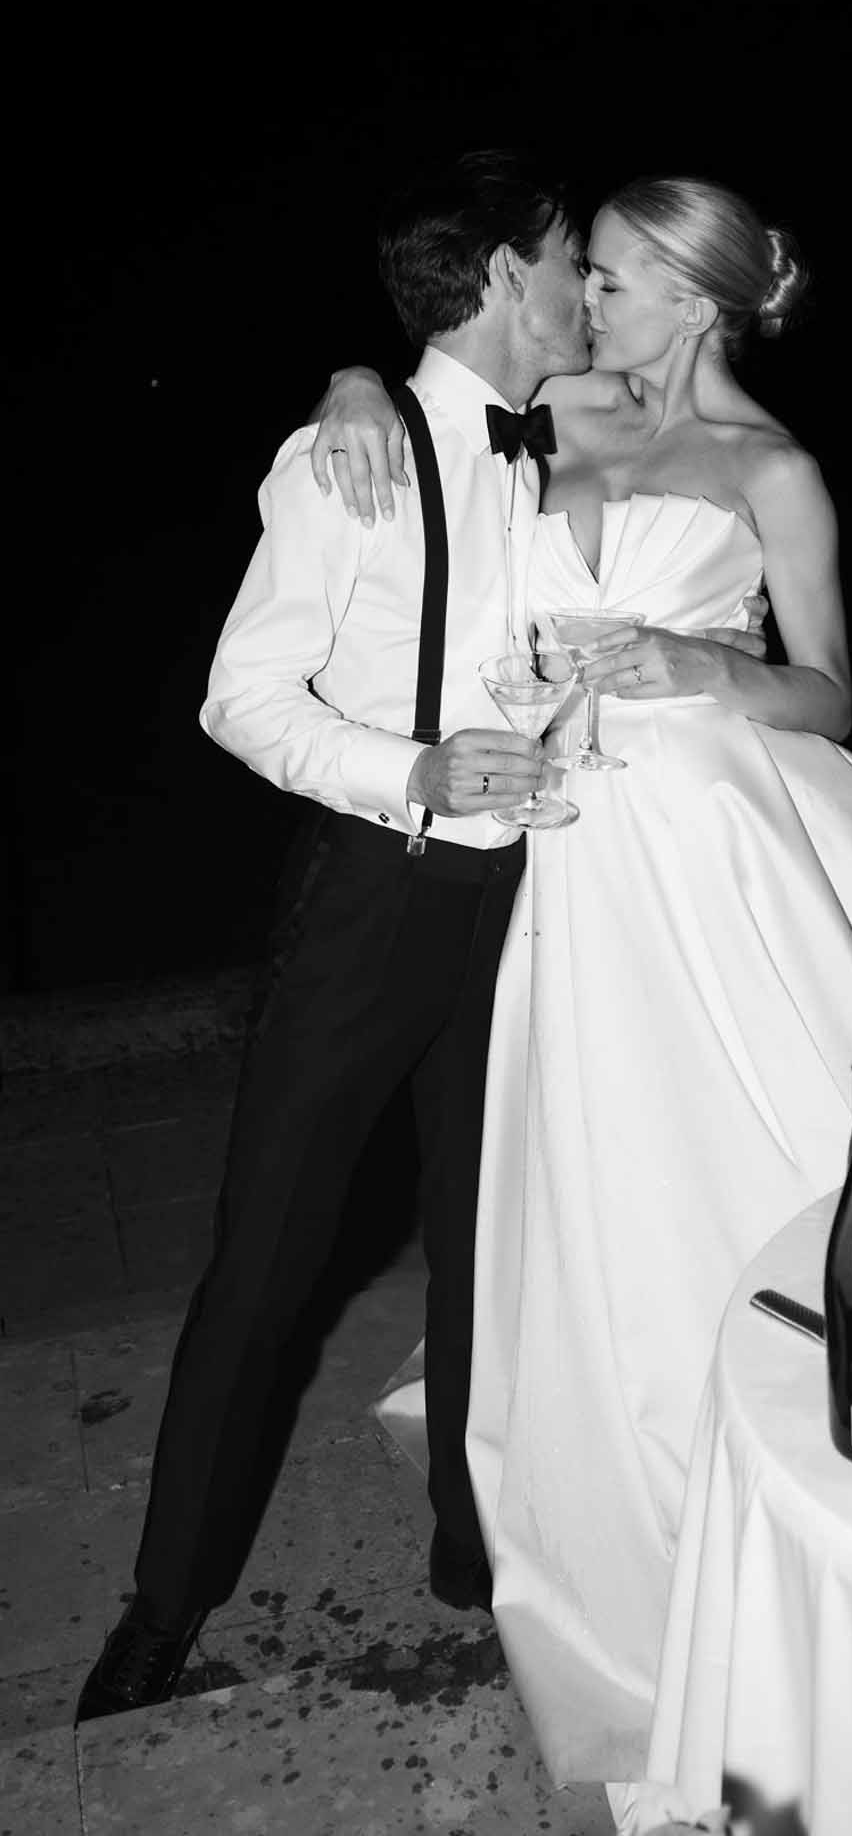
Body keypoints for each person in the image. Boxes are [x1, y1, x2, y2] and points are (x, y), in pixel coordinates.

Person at [310, 173, 852, 1833]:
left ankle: (834, 1436)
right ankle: (615, 1487)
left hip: (720, 838)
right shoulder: (554, 401)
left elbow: (831, 692)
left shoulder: (769, 467)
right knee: (598, 1170)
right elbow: (436, 378)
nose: (587, 308)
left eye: (621, 285)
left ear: (700, 304)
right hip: (570, 847)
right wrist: (350, 380)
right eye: (588, 279)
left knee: (786, 1158)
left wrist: (712, 668)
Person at [74, 152, 600, 1724]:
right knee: (267, 1262)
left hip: (529, 902)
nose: (585, 285)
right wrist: (412, 772)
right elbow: (241, 698)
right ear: (507, 276)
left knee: (486, 1241)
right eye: (569, 259)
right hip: (374, 902)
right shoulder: (341, 461)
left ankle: (467, 1542)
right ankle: (164, 1609)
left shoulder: (562, 435)